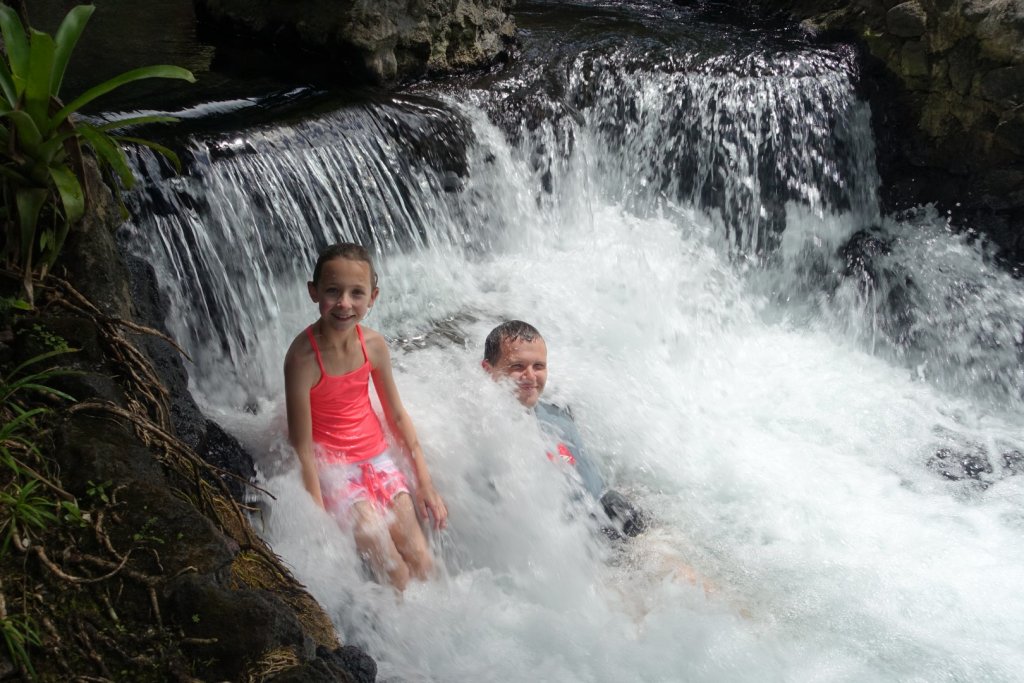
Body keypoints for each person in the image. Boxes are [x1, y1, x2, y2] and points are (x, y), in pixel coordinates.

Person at [284, 242, 448, 591]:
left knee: (422, 562)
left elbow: (397, 417)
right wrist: (317, 520)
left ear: (372, 297)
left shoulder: (372, 346)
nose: (344, 303)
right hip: (337, 473)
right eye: (333, 291)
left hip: (379, 462)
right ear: (314, 293)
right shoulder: (302, 359)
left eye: (356, 293)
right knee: (396, 574)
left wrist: (425, 484)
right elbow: (301, 447)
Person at [481, 320, 646, 538]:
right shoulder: (477, 435)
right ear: (487, 369)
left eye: (538, 366)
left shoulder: (558, 414)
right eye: (517, 366)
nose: (530, 376)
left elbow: (592, 484)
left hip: (599, 526)